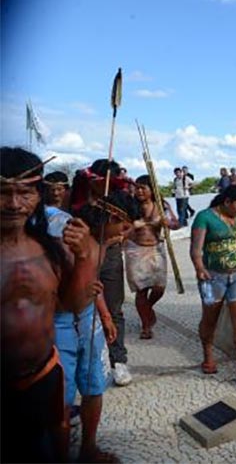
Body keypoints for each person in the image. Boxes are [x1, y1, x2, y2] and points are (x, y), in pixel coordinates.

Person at [1, 147, 97, 462]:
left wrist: (84, 256)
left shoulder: (51, 250)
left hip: (42, 375)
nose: (14, 204)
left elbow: (70, 306)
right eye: (2, 193)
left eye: (25, 193)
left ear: (39, 195)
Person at [57, 192, 133, 463]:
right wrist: (82, 265)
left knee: (94, 385)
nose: (124, 235)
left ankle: (88, 447)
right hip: (61, 322)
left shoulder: (104, 242)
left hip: (89, 317)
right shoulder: (69, 238)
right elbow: (69, 298)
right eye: (123, 227)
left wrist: (104, 315)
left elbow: (92, 284)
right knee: (60, 399)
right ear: (113, 217)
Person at [71, 158, 134, 386]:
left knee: (113, 307)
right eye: (102, 181)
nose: (106, 186)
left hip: (111, 254)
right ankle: (83, 358)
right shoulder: (77, 195)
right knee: (83, 303)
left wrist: (119, 236)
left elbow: (131, 223)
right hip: (82, 252)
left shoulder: (119, 196)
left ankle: (118, 359)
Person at [190, 185, 236, 385]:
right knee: (210, 318)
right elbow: (196, 249)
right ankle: (208, 356)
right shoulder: (204, 217)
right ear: (226, 202)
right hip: (212, 279)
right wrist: (199, 267)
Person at [125, 175, 180, 339]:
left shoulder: (162, 206)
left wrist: (166, 223)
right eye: (137, 187)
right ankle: (146, 325)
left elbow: (176, 224)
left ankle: (147, 308)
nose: (139, 191)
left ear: (152, 189)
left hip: (156, 249)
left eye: (143, 187)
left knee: (159, 288)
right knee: (141, 290)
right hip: (135, 251)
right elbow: (121, 231)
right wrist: (133, 226)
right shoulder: (130, 206)